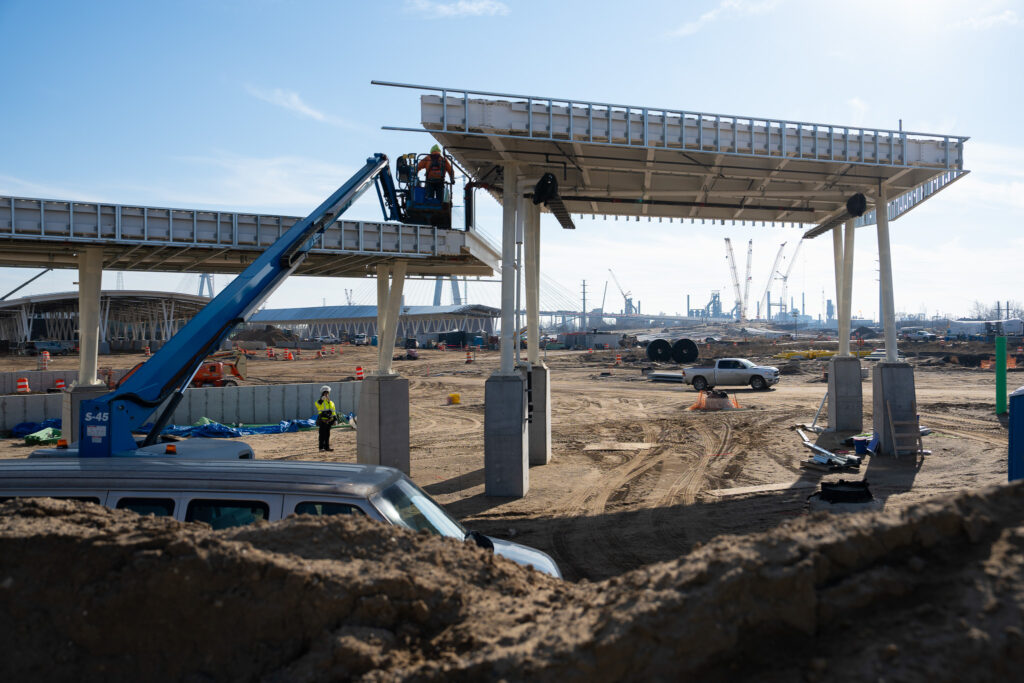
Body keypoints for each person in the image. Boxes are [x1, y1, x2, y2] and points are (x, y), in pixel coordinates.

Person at [314, 386, 336, 452]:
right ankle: (321, 448)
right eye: (325, 393)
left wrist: (335, 420)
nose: (326, 395)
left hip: (329, 420)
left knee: (327, 435)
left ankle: (327, 447)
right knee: (322, 435)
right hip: (322, 420)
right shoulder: (319, 402)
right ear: (322, 394)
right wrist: (321, 400)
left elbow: (333, 411)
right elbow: (317, 405)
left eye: (327, 393)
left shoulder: (331, 402)